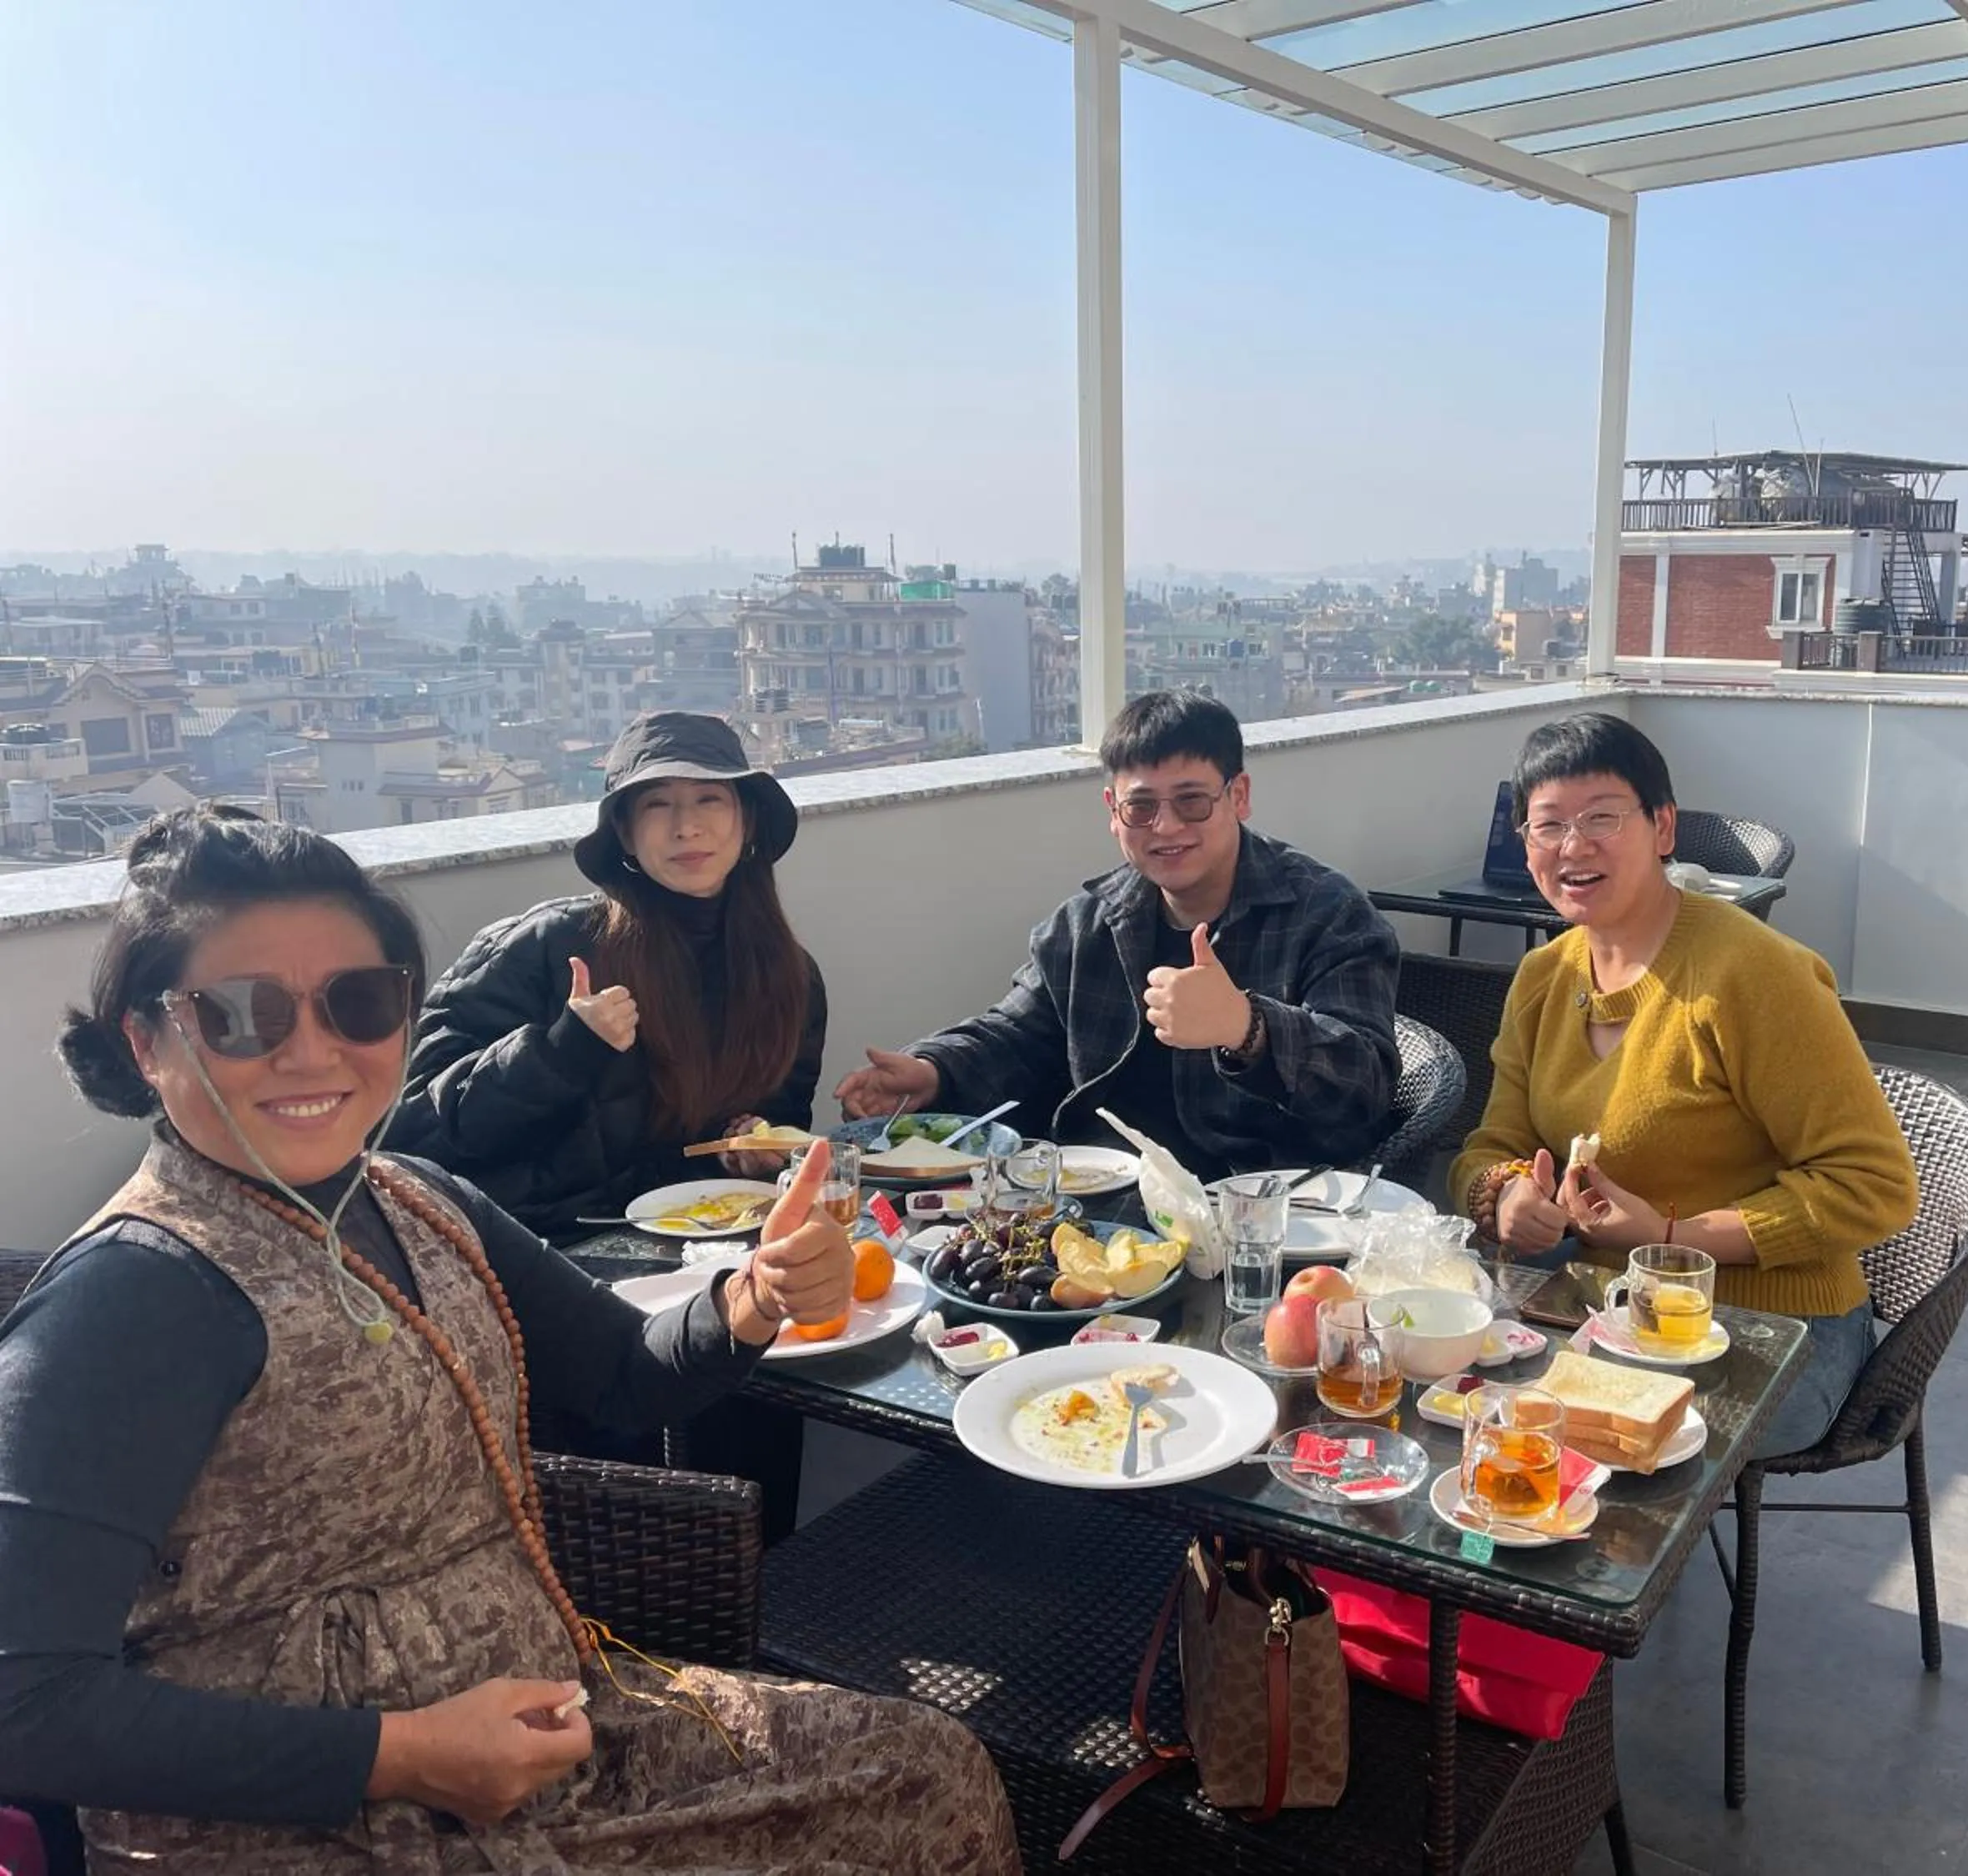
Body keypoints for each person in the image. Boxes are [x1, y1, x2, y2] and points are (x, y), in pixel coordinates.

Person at [0, 806, 1017, 1873]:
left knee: (928, 1768)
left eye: (358, 1001)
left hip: (552, 1735)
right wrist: (401, 1755)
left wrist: (755, 1295)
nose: (312, 1052)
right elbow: (25, 1701)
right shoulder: (134, 1295)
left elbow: (627, 1376)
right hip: (327, 1821)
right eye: (240, 1015)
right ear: (146, 1040)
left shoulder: (417, 1199)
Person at [1450, 715, 1918, 1456]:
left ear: (1662, 825)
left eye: (1603, 818)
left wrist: (1669, 1238)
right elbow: (1492, 1145)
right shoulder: (1545, 977)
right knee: (1451, 1396)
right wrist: (1507, 1195)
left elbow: (1875, 1186)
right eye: (1549, 827)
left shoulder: (1751, 974)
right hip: (1605, 1305)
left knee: (1551, 1436)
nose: (1575, 847)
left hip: (1773, 1328)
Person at [834, 690, 1400, 1181]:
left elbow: (1367, 1084)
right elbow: (1016, 1034)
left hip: (1257, 1211)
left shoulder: (1328, 915)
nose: (1167, 827)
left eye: (1192, 800)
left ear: (1240, 795)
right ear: (1113, 810)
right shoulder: (1090, 923)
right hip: (1094, 1199)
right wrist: (934, 1070)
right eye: (1142, 805)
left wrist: (1246, 1028)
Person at [388, 711, 827, 1239]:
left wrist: (750, 1149)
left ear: (747, 819)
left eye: (709, 798)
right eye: (657, 804)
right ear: (624, 831)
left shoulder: (790, 975)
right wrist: (558, 1052)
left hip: (712, 1240)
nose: (686, 826)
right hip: (547, 1251)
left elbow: (779, 1117)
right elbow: (412, 1129)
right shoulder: (547, 946)